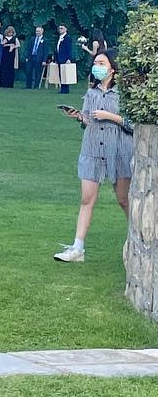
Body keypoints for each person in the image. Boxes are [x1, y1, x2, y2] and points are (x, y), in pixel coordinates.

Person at [54, 53, 132, 263]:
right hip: (92, 150)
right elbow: (89, 120)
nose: (97, 66)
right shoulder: (91, 92)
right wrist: (79, 116)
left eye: (102, 63)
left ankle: (140, 237)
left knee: (124, 200)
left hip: (119, 151)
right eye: (95, 63)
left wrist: (110, 116)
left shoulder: (124, 93)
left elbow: (133, 124)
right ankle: (77, 247)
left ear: (112, 68)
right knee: (87, 199)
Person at [24, 25, 48, 90]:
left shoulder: (45, 40)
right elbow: (29, 48)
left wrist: (44, 60)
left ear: (42, 31)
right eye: (36, 31)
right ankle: (28, 85)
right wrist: (27, 57)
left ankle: (36, 85)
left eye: (38, 31)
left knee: (37, 72)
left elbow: (45, 51)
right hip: (31, 57)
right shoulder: (32, 39)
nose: (37, 32)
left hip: (39, 58)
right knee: (28, 71)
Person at [54, 24, 74, 95]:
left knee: (65, 74)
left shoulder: (67, 38)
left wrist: (69, 58)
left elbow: (69, 49)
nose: (60, 30)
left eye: (62, 28)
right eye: (59, 28)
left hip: (65, 58)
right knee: (61, 74)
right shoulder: (59, 37)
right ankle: (62, 88)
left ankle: (65, 89)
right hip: (59, 58)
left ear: (66, 29)